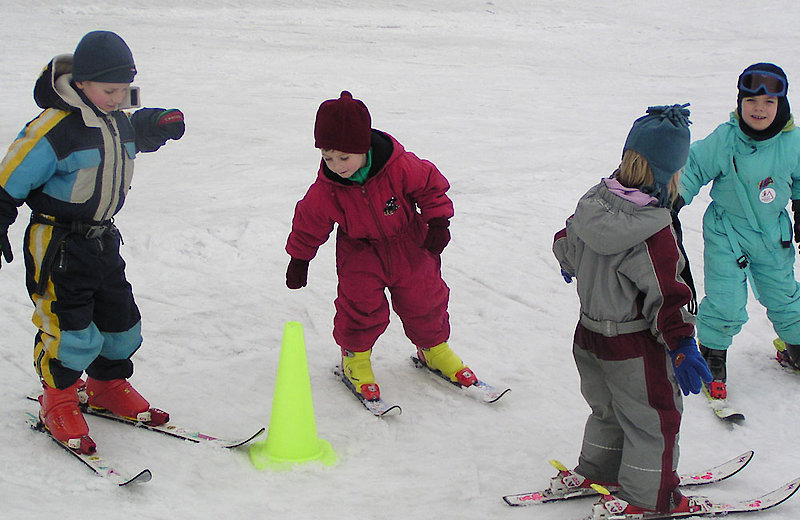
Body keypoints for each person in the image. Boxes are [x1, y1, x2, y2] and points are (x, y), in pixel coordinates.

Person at [0, 30, 185, 453]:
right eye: (110, 89)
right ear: (80, 82)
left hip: (102, 240)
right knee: (68, 327)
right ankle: (59, 398)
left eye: (125, 90)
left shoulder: (114, 116)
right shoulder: (54, 127)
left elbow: (132, 134)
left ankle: (106, 385)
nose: (119, 98)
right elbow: (9, 178)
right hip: (58, 243)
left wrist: (157, 124)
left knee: (120, 322)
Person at [552, 104, 712, 517]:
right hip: (635, 347)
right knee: (653, 421)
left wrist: (572, 264)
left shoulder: (592, 202)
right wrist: (681, 343)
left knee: (606, 410)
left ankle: (599, 470)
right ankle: (650, 496)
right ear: (670, 172)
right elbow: (667, 294)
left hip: (589, 336)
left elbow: (565, 240)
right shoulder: (652, 230)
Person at [284, 90, 478, 402]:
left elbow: (430, 186)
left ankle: (434, 348)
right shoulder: (328, 189)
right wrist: (300, 258)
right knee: (360, 308)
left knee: (425, 299)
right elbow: (309, 220)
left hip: (410, 245)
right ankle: (355, 358)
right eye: (327, 157)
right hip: (360, 254)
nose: (336, 165)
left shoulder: (399, 166)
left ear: (362, 148)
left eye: (344, 157)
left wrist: (439, 221)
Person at [679, 63, 800, 400]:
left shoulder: (793, 142)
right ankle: (713, 352)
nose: (759, 109)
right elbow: (693, 168)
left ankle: (796, 344)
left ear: (781, 105)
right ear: (740, 102)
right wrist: (673, 200)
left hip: (773, 235)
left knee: (786, 297)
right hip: (727, 232)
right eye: (751, 101)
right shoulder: (726, 138)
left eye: (768, 102)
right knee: (727, 301)